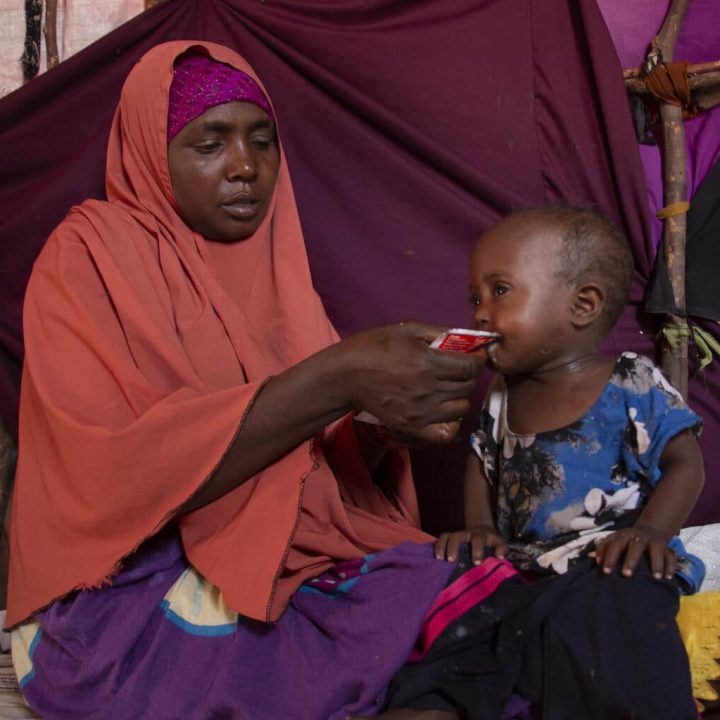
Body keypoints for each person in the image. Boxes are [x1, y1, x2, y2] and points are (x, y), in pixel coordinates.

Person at [6, 41, 487, 720]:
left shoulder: (283, 283)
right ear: (152, 150)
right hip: (123, 590)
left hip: (278, 559)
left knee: (481, 602)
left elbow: (322, 474)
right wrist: (340, 374)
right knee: (415, 634)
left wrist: (379, 425)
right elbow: (111, 475)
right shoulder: (87, 256)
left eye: (263, 143)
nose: (244, 167)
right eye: (210, 143)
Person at [423, 206, 705, 719]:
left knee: (620, 608)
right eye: (475, 299)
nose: (480, 313)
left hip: (610, 557)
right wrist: (481, 528)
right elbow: (481, 462)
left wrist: (650, 534)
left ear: (583, 305)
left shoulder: (631, 382)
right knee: (455, 613)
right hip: (527, 563)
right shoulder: (501, 396)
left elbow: (687, 464)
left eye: (500, 291)